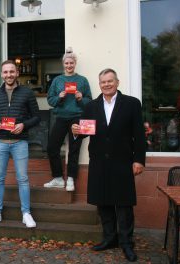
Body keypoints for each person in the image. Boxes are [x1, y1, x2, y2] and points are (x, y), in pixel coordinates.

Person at [71, 68, 146, 262]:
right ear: (100, 84)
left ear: (117, 82)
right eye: (103, 82)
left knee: (124, 205)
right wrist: (76, 130)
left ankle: (127, 243)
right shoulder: (91, 106)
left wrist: (139, 160)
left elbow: (139, 134)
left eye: (110, 81)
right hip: (99, 161)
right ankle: (109, 238)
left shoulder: (131, 104)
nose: (106, 84)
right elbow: (86, 131)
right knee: (103, 202)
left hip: (122, 161)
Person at [0, 60, 40, 228]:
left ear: (17, 73)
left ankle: (26, 213)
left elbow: (36, 116)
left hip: (19, 142)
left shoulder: (27, 93)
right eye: (5, 72)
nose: (9, 75)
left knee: (22, 179)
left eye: (11, 71)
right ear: (2, 74)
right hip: (0, 142)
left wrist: (24, 125)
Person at [44, 47, 92, 192]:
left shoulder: (82, 80)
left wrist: (80, 98)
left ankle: (71, 178)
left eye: (71, 63)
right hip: (60, 117)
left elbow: (89, 102)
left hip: (77, 118)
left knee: (74, 149)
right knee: (52, 147)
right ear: (63, 64)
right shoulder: (57, 80)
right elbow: (50, 100)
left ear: (75, 63)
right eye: (66, 63)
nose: (69, 66)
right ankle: (58, 178)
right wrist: (59, 97)